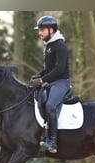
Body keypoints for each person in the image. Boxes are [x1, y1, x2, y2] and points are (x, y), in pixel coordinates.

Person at [31, 15, 71, 154]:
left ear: (51, 30)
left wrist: (42, 80)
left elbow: (59, 69)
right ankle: (42, 135)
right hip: (52, 82)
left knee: (50, 105)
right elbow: (49, 69)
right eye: (39, 30)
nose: (40, 32)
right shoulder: (49, 45)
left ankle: (53, 141)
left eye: (42, 30)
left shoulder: (59, 45)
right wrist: (39, 75)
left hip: (61, 83)